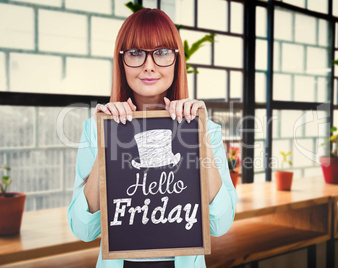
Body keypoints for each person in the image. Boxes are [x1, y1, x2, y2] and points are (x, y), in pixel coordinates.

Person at [67, 8, 238, 268]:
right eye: (135, 53)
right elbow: (83, 229)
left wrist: (198, 135)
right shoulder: (96, 129)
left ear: (177, 60)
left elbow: (219, 224)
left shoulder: (206, 131)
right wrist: (108, 139)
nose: (149, 65)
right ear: (121, 61)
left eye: (161, 52)